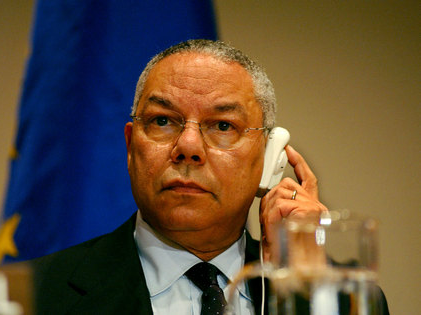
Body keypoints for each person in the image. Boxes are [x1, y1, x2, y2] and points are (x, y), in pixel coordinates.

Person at [32, 39, 389, 314]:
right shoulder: (33, 297)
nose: (188, 146)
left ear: (268, 157)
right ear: (130, 145)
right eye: (162, 121)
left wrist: (306, 287)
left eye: (222, 125)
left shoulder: (345, 301)